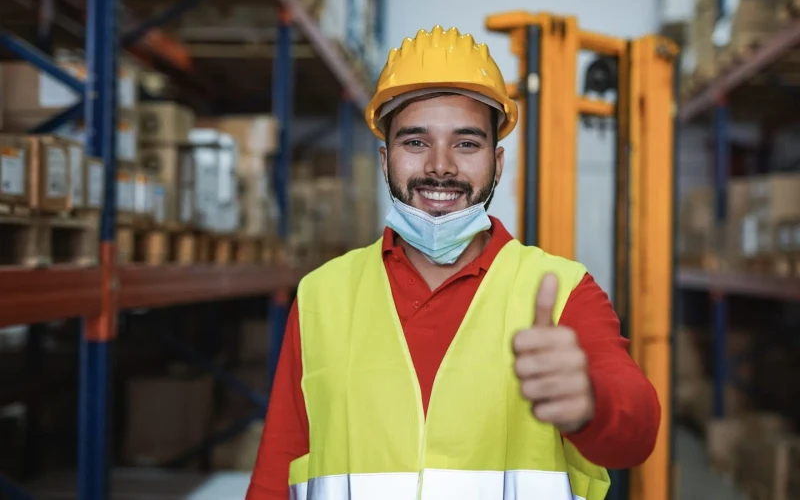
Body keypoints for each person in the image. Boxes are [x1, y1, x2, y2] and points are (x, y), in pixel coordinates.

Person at [246, 25, 660, 500]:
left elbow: (638, 432)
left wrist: (592, 403)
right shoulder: (323, 295)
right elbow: (278, 468)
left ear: (498, 163)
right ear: (385, 158)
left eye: (466, 144)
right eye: (416, 143)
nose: (440, 166)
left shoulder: (562, 290)